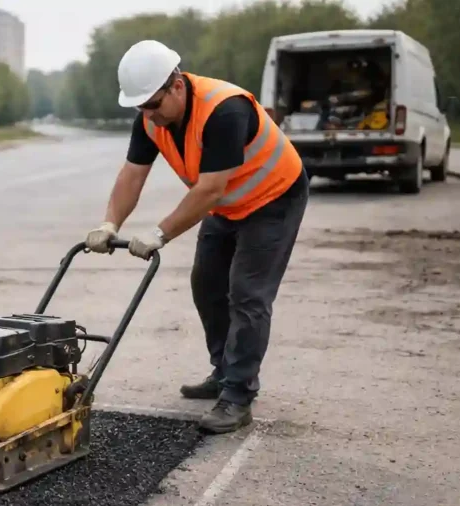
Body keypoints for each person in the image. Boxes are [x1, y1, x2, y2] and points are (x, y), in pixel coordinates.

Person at [85, 39, 309, 434]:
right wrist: (110, 224)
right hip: (228, 205)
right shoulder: (150, 120)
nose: (148, 115)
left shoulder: (225, 110)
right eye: (141, 107)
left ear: (176, 85)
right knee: (206, 283)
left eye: (153, 105)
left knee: (248, 295)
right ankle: (223, 372)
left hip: (274, 199)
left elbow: (209, 189)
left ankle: (238, 397)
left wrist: (160, 233)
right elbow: (132, 175)